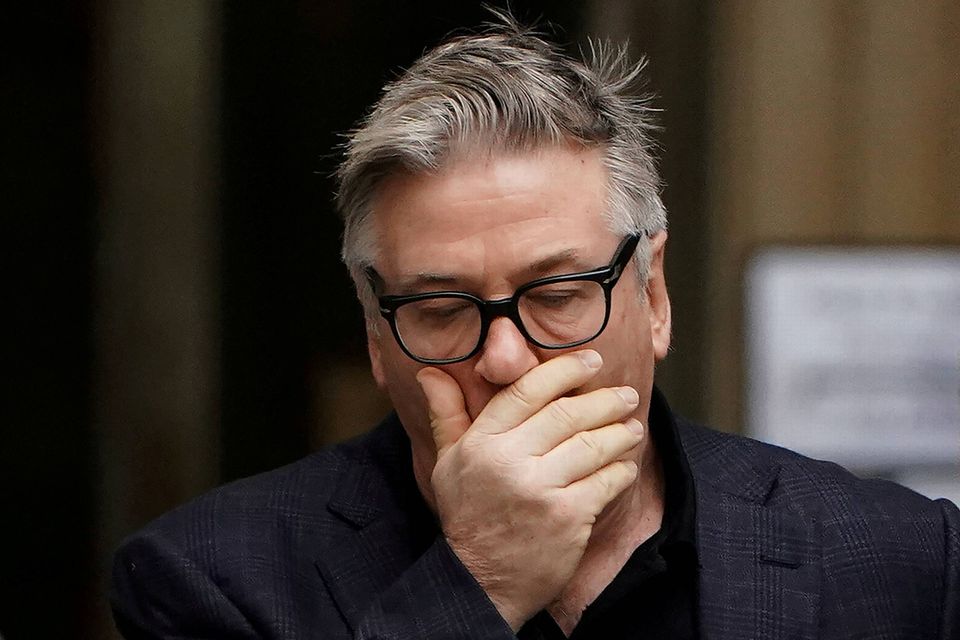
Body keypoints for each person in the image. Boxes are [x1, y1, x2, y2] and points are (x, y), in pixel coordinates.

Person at [111, 13, 959, 639]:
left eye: (557, 294)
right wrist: (478, 579)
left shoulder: (904, 559)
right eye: (441, 311)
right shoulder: (212, 577)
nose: (508, 359)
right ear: (375, 334)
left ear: (654, 296)